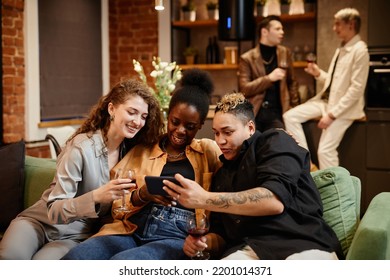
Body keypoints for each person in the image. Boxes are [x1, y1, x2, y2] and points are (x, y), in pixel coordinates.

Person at [61, 68, 222, 260]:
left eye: (190, 127)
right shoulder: (141, 151)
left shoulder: (208, 151)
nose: (180, 131)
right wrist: (142, 195)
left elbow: (237, 161)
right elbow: (116, 207)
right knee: (76, 258)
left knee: (122, 264)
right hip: (129, 230)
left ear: (200, 125)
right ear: (167, 116)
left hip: (174, 238)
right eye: (175, 122)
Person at [163, 92, 344, 260]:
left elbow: (274, 201)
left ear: (250, 128)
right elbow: (222, 236)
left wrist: (204, 198)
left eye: (228, 132)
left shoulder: (275, 142)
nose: (220, 140)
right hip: (249, 250)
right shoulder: (221, 175)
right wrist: (203, 243)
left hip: (302, 244)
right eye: (216, 133)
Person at [0, 79, 164, 260]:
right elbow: (54, 210)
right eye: (132, 112)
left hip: (75, 236)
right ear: (111, 109)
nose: (138, 121)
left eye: (143, 116)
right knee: (10, 260)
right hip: (38, 223)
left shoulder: (132, 155)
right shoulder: (81, 147)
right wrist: (96, 197)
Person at [283, 8, 369, 170]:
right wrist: (318, 74)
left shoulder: (360, 50)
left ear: (351, 24)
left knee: (325, 150)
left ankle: (335, 190)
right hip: (326, 102)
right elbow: (335, 83)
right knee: (290, 116)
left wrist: (331, 115)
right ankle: (306, 163)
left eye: (338, 24)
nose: (334, 28)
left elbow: (356, 89)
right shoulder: (341, 48)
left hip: (343, 109)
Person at [238, 15, 299, 132]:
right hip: (255, 114)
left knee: (279, 147)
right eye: (277, 29)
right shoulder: (247, 58)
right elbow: (244, 89)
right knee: (251, 148)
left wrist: (294, 108)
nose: (282, 32)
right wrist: (269, 78)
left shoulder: (285, 53)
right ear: (264, 32)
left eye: (282, 29)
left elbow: (292, 82)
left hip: (278, 114)